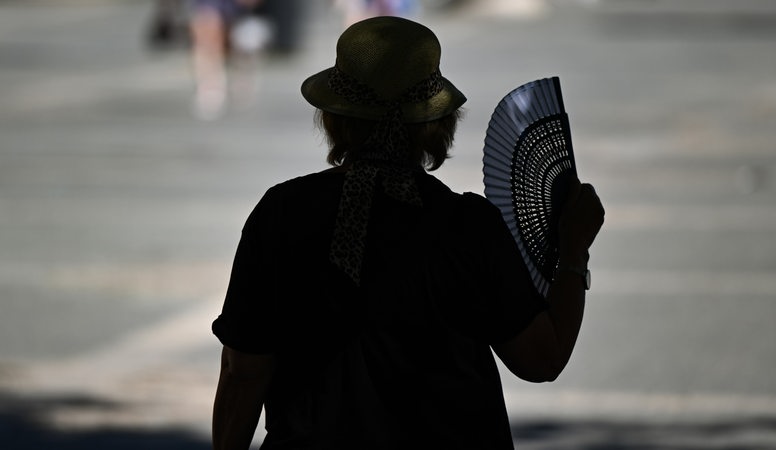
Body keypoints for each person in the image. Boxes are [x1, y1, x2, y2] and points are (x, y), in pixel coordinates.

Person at [211, 16, 604, 450]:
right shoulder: (468, 225)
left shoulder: (282, 212)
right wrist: (573, 250)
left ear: (335, 118)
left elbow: (243, 371)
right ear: (438, 123)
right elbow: (541, 358)